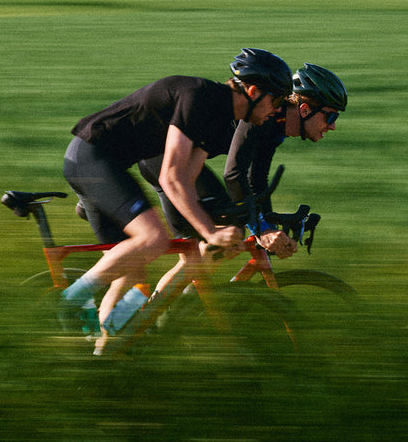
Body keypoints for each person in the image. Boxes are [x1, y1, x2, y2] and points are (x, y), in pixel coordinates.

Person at [59, 49, 293, 338]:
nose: (278, 109)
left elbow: (188, 179)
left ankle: (104, 350)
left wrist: (216, 231)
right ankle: (71, 300)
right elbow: (170, 177)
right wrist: (209, 232)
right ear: (254, 91)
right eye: (277, 100)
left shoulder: (221, 123)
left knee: (134, 283)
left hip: (110, 167)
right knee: (153, 239)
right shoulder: (199, 97)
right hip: (91, 157)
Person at [222, 63, 348, 258]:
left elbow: (256, 181)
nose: (332, 127)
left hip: (189, 161)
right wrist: (261, 229)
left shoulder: (276, 126)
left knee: (228, 234)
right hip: (170, 158)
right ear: (305, 110)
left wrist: (270, 228)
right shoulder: (263, 117)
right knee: (222, 238)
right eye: (331, 116)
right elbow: (234, 174)